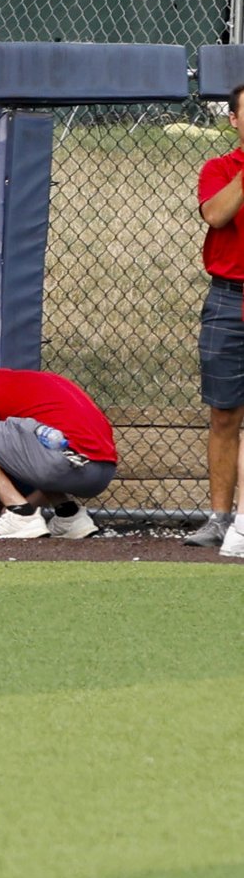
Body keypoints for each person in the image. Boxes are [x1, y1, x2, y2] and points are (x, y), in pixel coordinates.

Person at [0, 355, 118, 539]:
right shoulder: (27, 380)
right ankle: (69, 516)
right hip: (102, 472)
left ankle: (21, 515)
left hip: (62, 463)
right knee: (29, 437)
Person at [189, 81, 244, 548]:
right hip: (229, 300)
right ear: (234, 120)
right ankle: (220, 519)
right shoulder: (219, 169)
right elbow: (216, 216)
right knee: (224, 414)